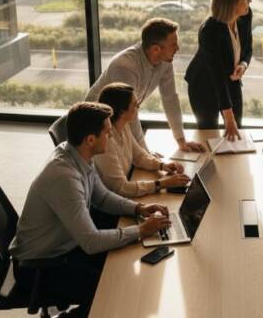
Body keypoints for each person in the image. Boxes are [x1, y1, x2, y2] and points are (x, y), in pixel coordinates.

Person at [10, 102, 170, 318]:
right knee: (116, 290)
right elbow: (91, 242)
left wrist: (139, 208)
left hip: (65, 246)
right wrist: (140, 230)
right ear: (90, 139)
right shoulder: (64, 177)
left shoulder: (78, 154)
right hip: (42, 267)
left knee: (126, 265)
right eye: (107, 133)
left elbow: (102, 197)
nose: (111, 137)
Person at [86, 18, 205, 153]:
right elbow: (131, 115)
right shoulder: (126, 67)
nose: (178, 48)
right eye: (173, 45)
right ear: (156, 49)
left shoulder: (165, 61)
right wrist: (146, 153)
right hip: (94, 127)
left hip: (117, 121)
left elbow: (170, 98)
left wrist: (181, 141)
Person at [94, 82, 190, 197]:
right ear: (122, 113)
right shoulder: (106, 142)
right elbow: (121, 188)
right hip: (111, 206)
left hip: (123, 195)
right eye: (135, 105)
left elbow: (138, 156)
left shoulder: (123, 126)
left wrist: (162, 165)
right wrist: (162, 183)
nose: (138, 107)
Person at [184, 0, 253, 140]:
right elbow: (216, 74)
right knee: (209, 133)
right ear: (231, 3)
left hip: (231, 79)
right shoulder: (210, 30)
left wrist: (243, 64)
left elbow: (248, 47)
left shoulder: (246, 15)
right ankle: (209, 164)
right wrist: (228, 118)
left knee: (237, 130)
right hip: (203, 84)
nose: (249, 1)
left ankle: (233, 164)